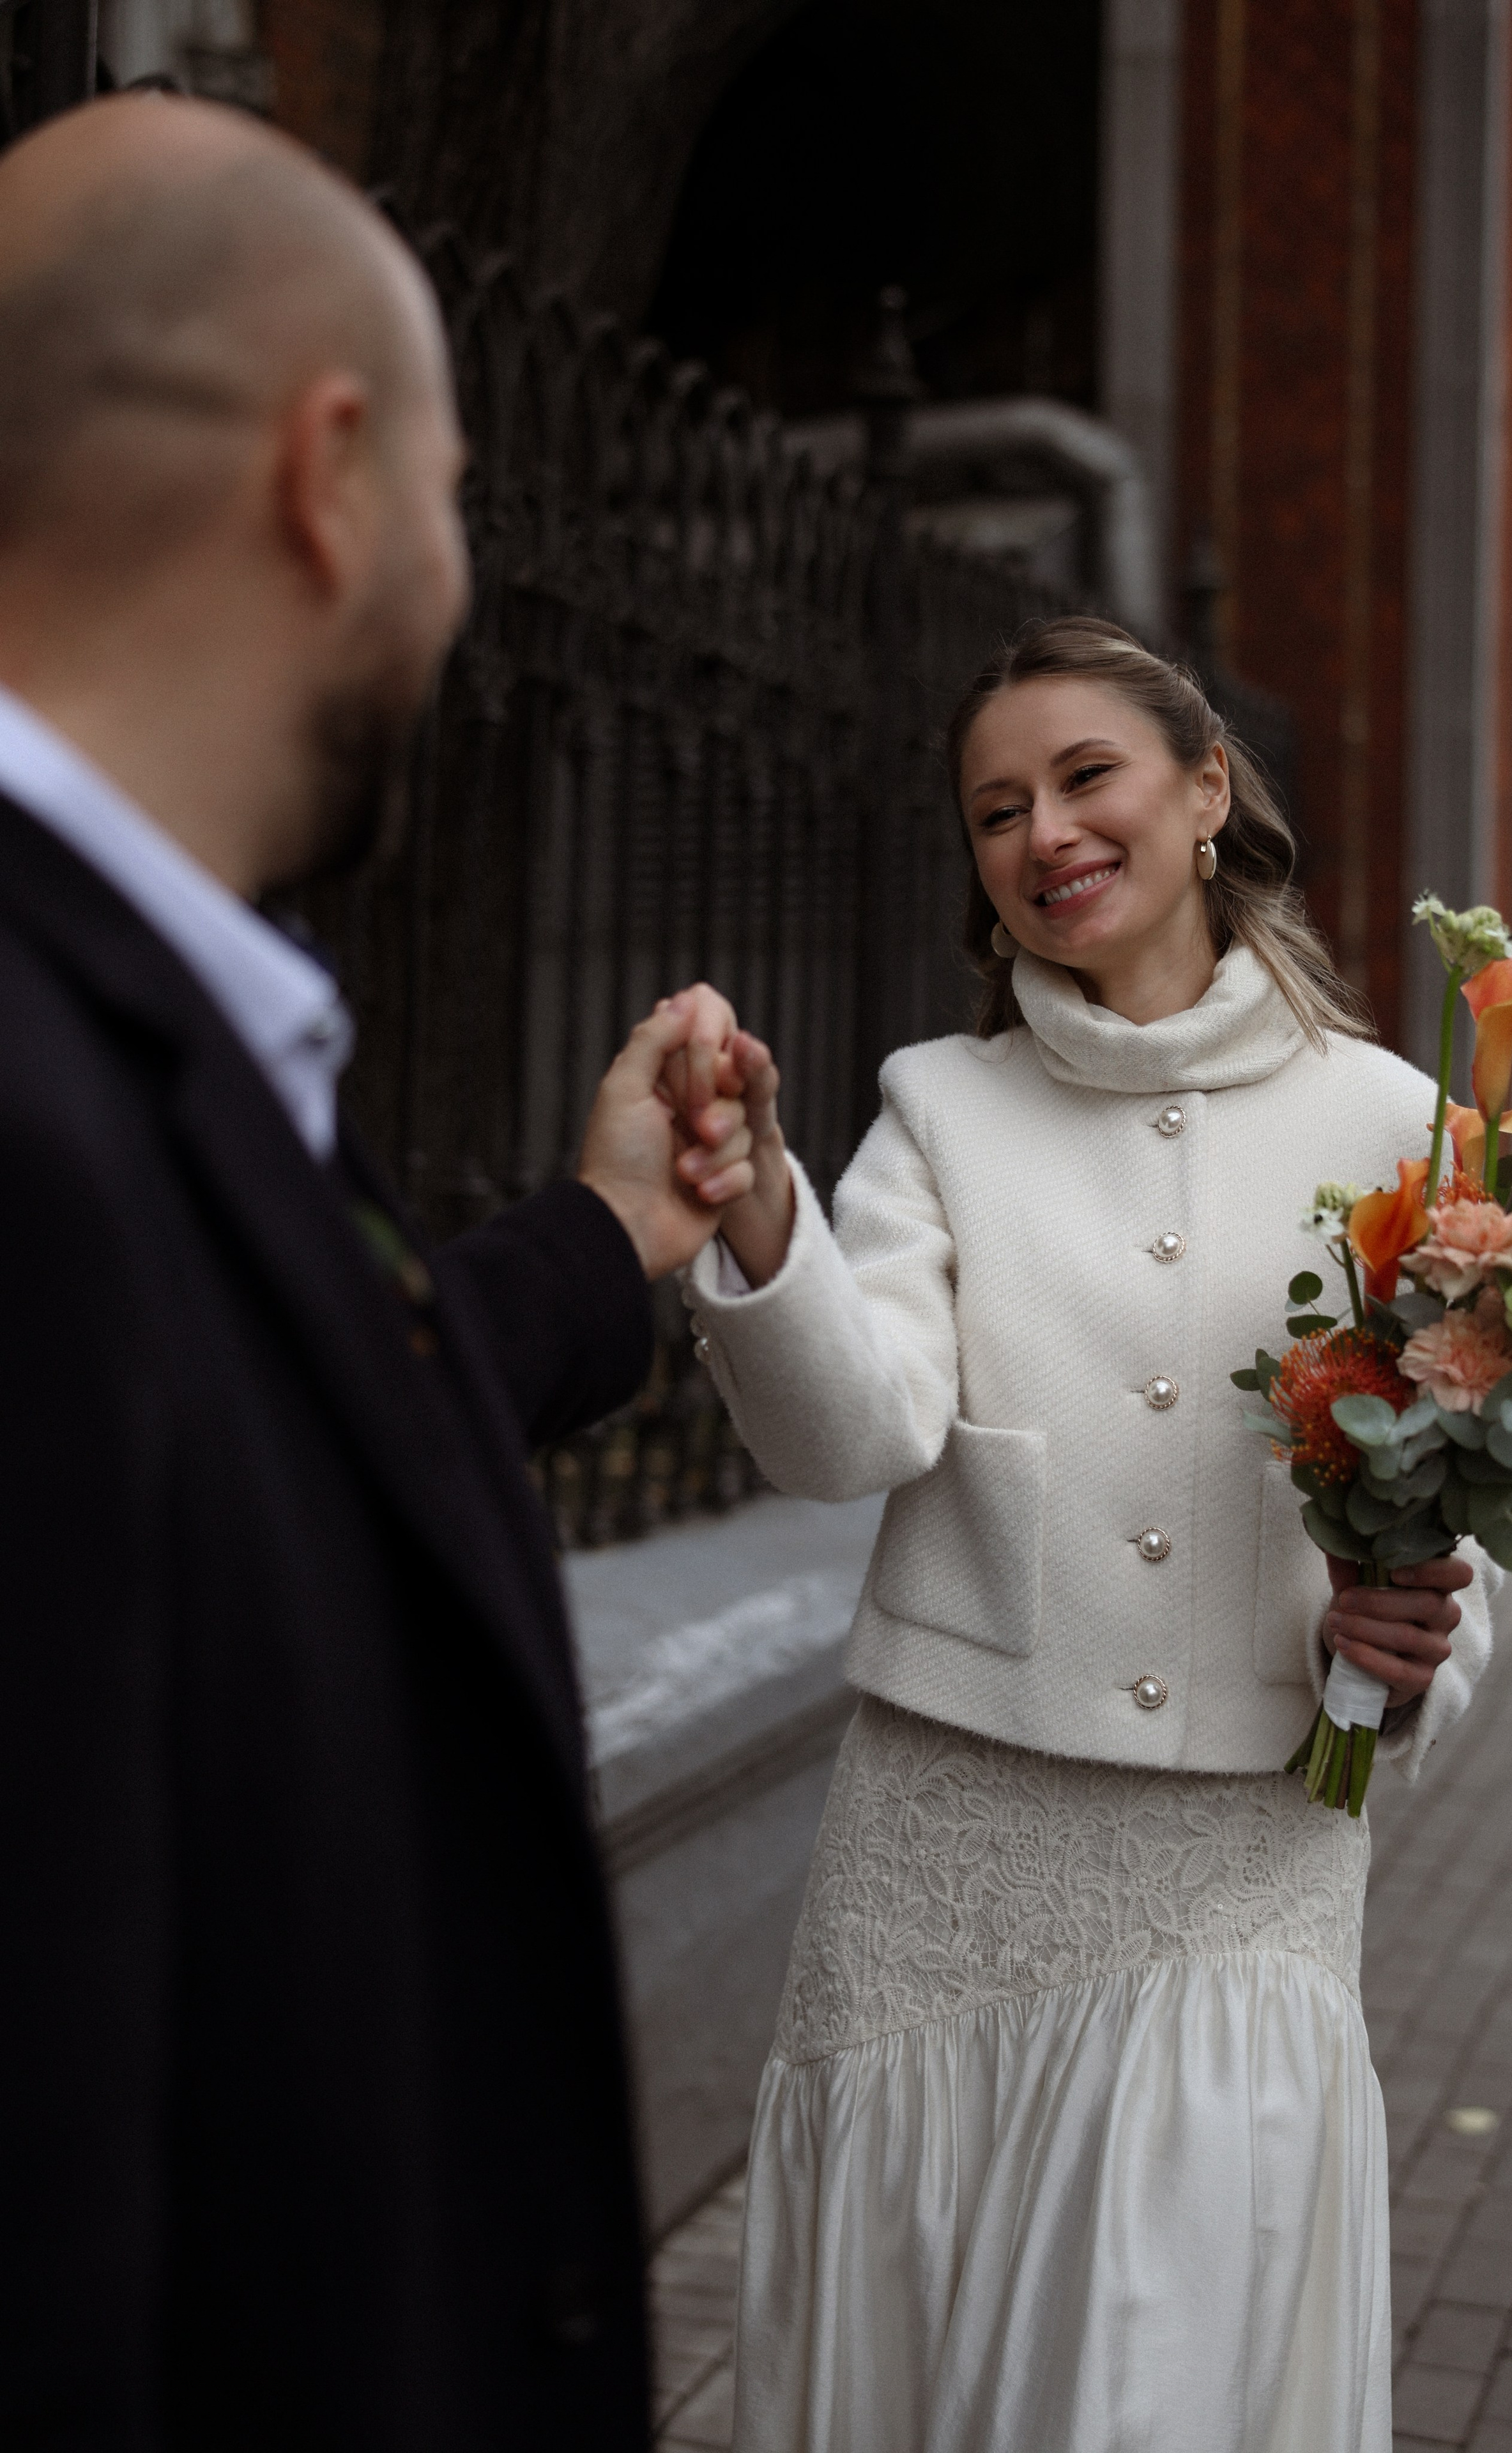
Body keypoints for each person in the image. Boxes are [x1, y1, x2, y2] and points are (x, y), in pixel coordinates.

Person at [0, 95, 753, 2449]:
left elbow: (255, 1404)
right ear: (329, 478)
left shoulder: (132, 1014)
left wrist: (606, 1239)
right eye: (452, 496)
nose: (455, 583)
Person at [684, 617, 1499, 2453]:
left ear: (1206, 792)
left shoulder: (1399, 1120)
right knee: (927, 2354)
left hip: (1247, 1861)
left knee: (1168, 2368)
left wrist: (1412, 1651)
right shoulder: (937, 1106)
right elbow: (851, 1434)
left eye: (1082, 777)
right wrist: (761, 1227)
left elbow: (1461, 1503)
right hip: (942, 1854)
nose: (1041, 831)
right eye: (996, 811)